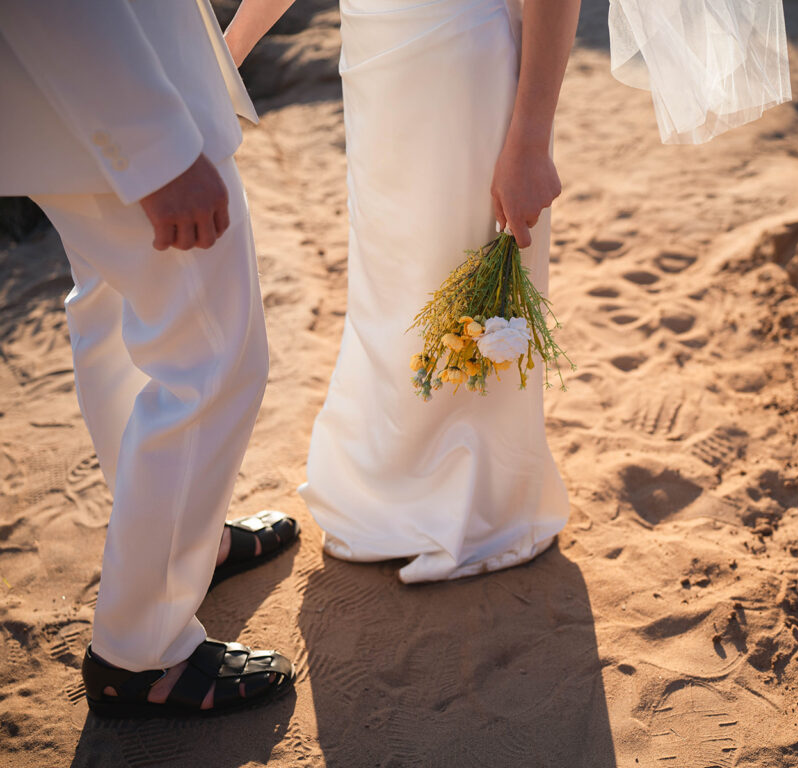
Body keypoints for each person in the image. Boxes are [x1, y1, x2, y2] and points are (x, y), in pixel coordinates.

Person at [0, 0, 300, 717]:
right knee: (212, 364)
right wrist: (156, 151)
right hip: (126, 120)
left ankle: (187, 546)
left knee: (115, 318)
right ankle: (144, 650)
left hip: (72, 120)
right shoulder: (149, 145)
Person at [225, 0, 580, 583]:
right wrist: (229, 53)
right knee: (391, 284)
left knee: (457, 283)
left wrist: (530, 140)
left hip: (463, 67)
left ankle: (477, 502)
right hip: (377, 67)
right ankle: (386, 489)